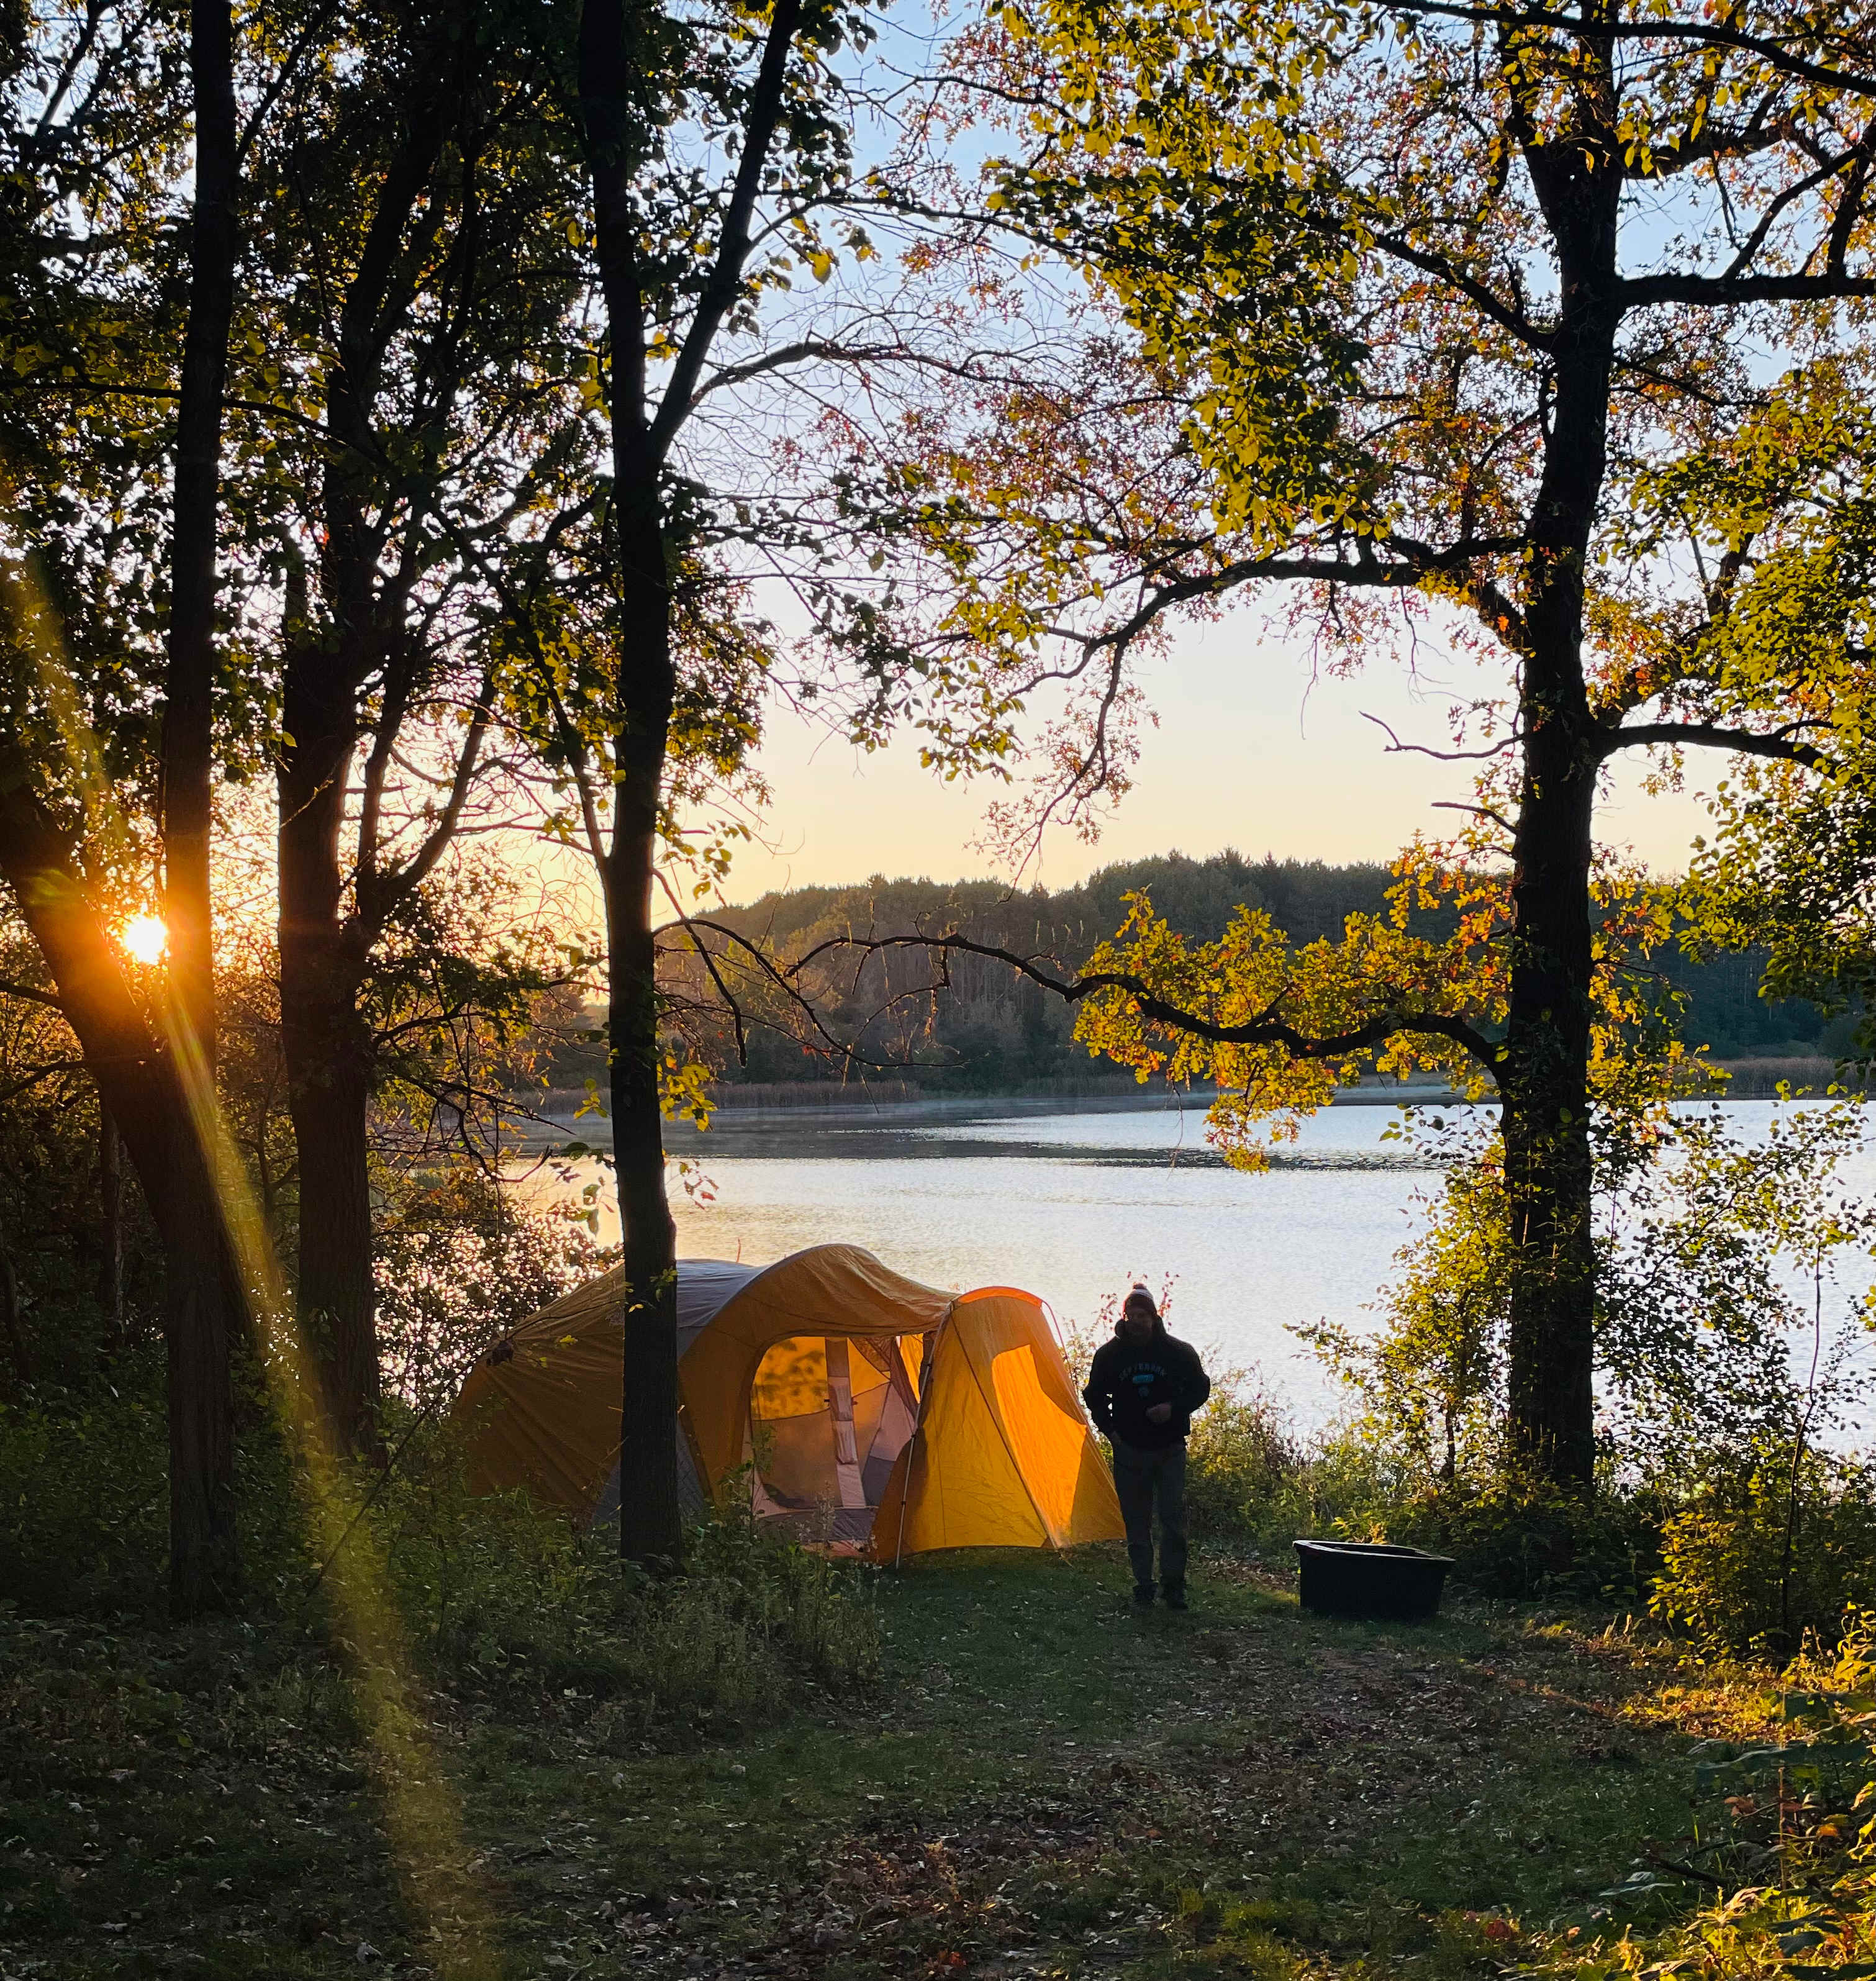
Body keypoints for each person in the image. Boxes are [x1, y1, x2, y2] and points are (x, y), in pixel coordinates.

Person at [1082, 1284, 1210, 1610]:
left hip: (1170, 1451)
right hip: (1129, 1453)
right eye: (1132, 1315)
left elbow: (1200, 1389)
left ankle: (1174, 1586)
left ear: (1155, 1317)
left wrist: (1174, 1408)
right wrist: (1112, 1435)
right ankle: (1143, 1585)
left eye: (1144, 1315)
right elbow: (1094, 1398)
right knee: (1137, 1524)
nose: (1137, 1321)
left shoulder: (1178, 1353)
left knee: (1172, 1521)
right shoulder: (1110, 1356)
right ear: (1124, 1317)